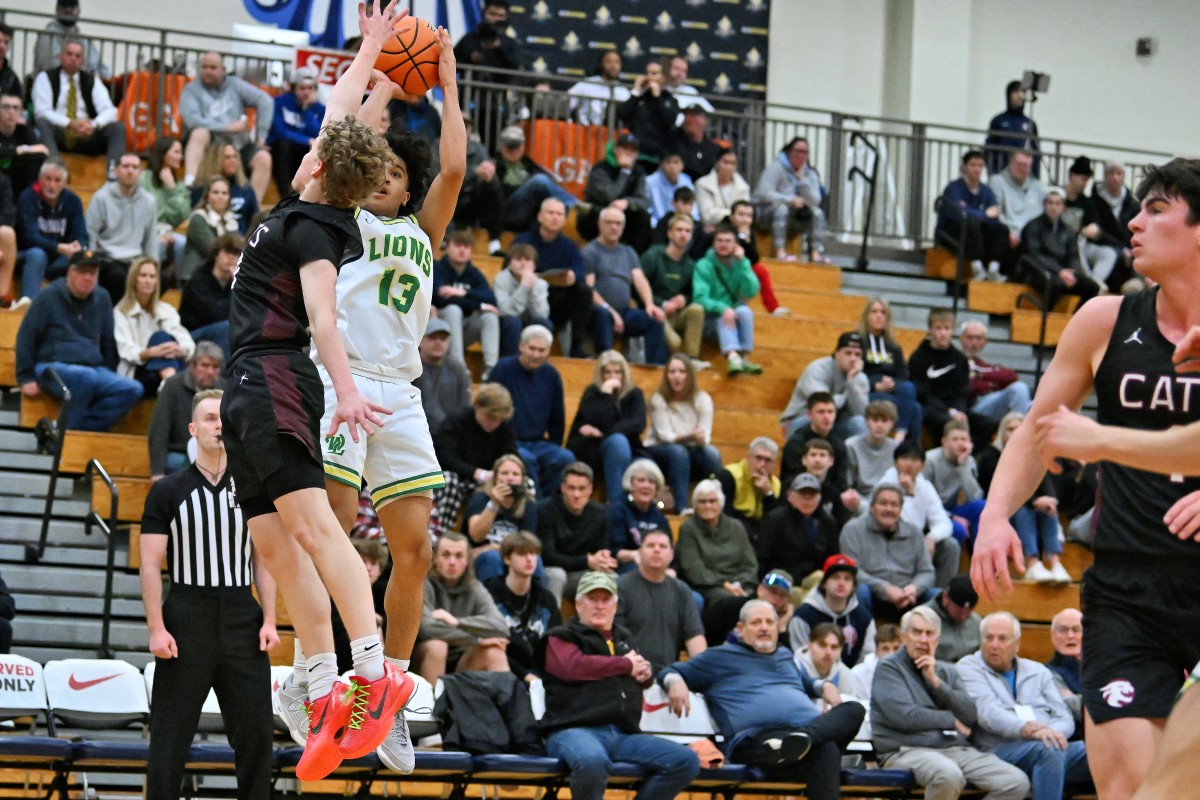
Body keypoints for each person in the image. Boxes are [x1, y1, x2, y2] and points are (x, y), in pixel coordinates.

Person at [217, 5, 411, 780]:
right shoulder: (304, 202)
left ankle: (373, 670)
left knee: (314, 527)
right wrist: (367, 49)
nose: (310, 151)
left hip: (276, 375)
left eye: (320, 154)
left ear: (326, 173)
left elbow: (326, 322)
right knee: (271, 542)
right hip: (242, 384)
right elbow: (339, 114)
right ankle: (318, 683)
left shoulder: (316, 232)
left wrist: (347, 392)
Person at [973, 158, 1200, 800]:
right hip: (1131, 588)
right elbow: (1037, 432)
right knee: (1131, 786)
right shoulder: (1105, 319)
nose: (1134, 221)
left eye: (1156, 208)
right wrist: (994, 516)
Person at [302, 35, 468, 775]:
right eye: (377, 166)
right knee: (332, 530)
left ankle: (389, 695)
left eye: (398, 173)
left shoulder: (424, 231)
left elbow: (456, 165)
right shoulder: (342, 215)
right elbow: (346, 140)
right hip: (341, 378)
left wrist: (449, 86)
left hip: (399, 394)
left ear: (408, 191)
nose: (383, 177)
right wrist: (386, 83)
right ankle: (325, 681)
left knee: (417, 550)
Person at [139, 389, 278, 800]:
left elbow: (263, 560)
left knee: (255, 733)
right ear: (193, 428)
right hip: (186, 614)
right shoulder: (167, 491)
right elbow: (149, 564)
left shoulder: (252, 489)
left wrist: (270, 618)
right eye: (210, 418)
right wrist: (156, 628)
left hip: (241, 614)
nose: (219, 425)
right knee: (170, 733)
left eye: (224, 418)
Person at [661, 599, 864, 800]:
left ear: (778, 627)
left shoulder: (784, 655)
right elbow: (669, 671)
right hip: (757, 741)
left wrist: (823, 686)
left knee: (854, 709)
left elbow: (805, 682)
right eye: (756, 622)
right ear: (741, 628)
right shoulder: (720, 657)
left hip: (798, 741)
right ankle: (803, 741)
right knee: (826, 749)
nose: (764, 628)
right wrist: (675, 682)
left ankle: (803, 739)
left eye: (769, 622)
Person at [535, 571, 700, 800]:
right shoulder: (561, 637)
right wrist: (625, 665)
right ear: (579, 604)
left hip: (623, 734)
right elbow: (573, 667)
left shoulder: (624, 638)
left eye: (606, 600)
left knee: (686, 761)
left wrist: (645, 674)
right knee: (592, 761)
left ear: (615, 606)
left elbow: (637, 672)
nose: (599, 606)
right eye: (592, 599)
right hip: (574, 730)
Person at [872, 606, 1030, 800]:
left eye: (929, 633)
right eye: (916, 632)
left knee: (1015, 782)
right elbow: (905, 716)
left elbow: (969, 714)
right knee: (948, 775)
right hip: (905, 750)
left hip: (954, 749)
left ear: (937, 639)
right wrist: (950, 720)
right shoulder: (888, 668)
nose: (923, 639)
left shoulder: (947, 671)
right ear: (904, 637)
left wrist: (936, 682)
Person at [956, 612, 1090, 800]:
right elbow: (988, 714)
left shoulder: (1037, 671)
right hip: (996, 749)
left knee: (1098, 750)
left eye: (1002, 639)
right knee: (1051, 750)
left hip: (1044, 745)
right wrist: (1030, 730)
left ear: (1017, 644)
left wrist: (1050, 733)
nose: (994, 645)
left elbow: (1063, 715)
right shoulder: (968, 667)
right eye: (989, 638)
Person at [16, 251, 143, 432]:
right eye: (82, 272)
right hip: (51, 368)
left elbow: (108, 341)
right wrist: (25, 376)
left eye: (92, 273)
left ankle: (76, 431)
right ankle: (65, 436)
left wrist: (109, 371)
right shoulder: (49, 296)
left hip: (92, 368)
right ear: (70, 273)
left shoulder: (102, 298)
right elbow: (26, 335)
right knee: (86, 377)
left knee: (132, 389)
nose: (87, 278)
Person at [977, 412, 1067, 584]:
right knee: (1025, 510)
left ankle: (1055, 563)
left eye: (1019, 429)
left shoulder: (1032, 456)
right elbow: (1003, 492)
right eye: (1010, 429)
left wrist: (1050, 500)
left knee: (1048, 510)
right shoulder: (990, 456)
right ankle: (1032, 563)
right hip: (996, 511)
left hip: (1024, 506)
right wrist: (1034, 502)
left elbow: (1045, 481)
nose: (1014, 433)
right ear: (1002, 431)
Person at [489, 324, 574, 498]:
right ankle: (537, 506)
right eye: (532, 348)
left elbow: (557, 416)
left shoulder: (552, 375)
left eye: (541, 350)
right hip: (509, 442)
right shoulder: (502, 369)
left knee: (566, 458)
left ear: (548, 351)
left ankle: (546, 501)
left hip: (539, 442)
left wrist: (555, 444)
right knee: (527, 459)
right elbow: (490, 408)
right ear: (521, 346)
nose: (536, 355)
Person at [415, 533, 511, 685]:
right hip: (422, 659)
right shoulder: (422, 584)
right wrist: (477, 639)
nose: (452, 562)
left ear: (467, 561)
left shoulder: (475, 587)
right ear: (434, 558)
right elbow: (426, 628)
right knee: (437, 646)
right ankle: (432, 707)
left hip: (462, 659)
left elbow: (501, 626)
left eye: (459, 556)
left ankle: (505, 707)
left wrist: (456, 622)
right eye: (445, 555)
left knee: (495, 652)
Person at [181, 51, 273, 205]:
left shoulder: (235, 84)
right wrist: (227, 127)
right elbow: (192, 121)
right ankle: (189, 185)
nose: (208, 71)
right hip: (211, 146)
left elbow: (265, 101)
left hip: (238, 144)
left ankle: (251, 208)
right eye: (204, 67)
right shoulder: (191, 89)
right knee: (199, 133)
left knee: (264, 158)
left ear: (223, 69)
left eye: (213, 67)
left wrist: (261, 137)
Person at [432, 383, 518, 539]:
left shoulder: (503, 428)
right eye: (490, 417)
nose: (494, 423)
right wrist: (477, 473)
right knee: (448, 480)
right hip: (459, 478)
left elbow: (510, 454)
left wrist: (503, 474)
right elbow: (445, 458)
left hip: (487, 482)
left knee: (523, 482)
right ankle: (443, 537)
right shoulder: (456, 420)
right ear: (477, 406)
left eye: (499, 420)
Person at [582, 207, 668, 364]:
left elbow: (640, 280)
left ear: (623, 227)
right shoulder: (590, 251)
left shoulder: (628, 252)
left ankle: (656, 368)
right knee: (603, 315)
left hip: (624, 312)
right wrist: (609, 309)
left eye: (618, 223)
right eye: (609, 223)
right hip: (598, 312)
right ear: (599, 224)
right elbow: (588, 289)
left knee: (654, 320)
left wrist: (650, 305)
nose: (614, 227)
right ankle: (606, 365)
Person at [675, 478, 758, 640]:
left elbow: (750, 565)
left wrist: (739, 584)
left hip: (740, 586)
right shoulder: (688, 528)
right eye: (702, 502)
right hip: (706, 587)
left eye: (712, 501)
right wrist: (725, 584)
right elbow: (693, 568)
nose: (707, 506)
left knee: (758, 600)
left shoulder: (737, 527)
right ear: (695, 505)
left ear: (721, 503)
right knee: (729, 602)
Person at [616, 529, 706, 676]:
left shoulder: (682, 590)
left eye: (663, 546)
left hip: (668, 675)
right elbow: (614, 638)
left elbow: (694, 636)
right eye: (650, 545)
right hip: (630, 673)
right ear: (639, 553)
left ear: (671, 555)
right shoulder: (621, 586)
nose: (657, 550)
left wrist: (702, 669)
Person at [841, 484, 937, 623]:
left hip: (908, 597)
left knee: (937, 596)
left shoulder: (915, 533)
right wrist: (884, 588)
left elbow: (927, 571)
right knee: (859, 591)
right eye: (883, 503)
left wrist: (914, 588)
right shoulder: (853, 530)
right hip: (872, 595)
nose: (888, 509)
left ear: (901, 509)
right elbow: (851, 571)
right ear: (872, 506)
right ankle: (861, 641)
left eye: (894, 505)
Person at [513, 199, 593, 358]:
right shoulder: (524, 240)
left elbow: (580, 271)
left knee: (583, 290)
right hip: (527, 299)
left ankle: (577, 347)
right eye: (551, 213)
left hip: (556, 301)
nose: (555, 217)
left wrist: (573, 276)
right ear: (540, 216)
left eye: (559, 214)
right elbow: (508, 269)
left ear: (564, 220)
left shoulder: (570, 245)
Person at [644, 354, 721, 513]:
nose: (677, 376)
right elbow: (666, 436)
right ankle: (682, 507)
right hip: (659, 449)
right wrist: (690, 436)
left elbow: (705, 435)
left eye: (682, 371)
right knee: (678, 452)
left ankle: (716, 504)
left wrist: (699, 438)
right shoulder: (659, 399)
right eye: (672, 372)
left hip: (690, 450)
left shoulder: (702, 399)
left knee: (712, 454)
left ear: (690, 375)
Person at [31, 39, 123, 171]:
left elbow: (110, 110)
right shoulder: (45, 78)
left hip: (86, 133)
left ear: (83, 61)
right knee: (42, 122)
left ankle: (114, 172)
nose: (73, 58)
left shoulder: (92, 80)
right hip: (60, 133)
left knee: (117, 128)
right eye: (69, 54)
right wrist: (70, 123)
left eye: (78, 56)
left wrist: (93, 124)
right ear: (60, 56)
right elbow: (42, 111)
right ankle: (54, 168)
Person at [909, 309, 996, 449]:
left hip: (955, 408)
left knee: (989, 424)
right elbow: (922, 392)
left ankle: (966, 453)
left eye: (947, 328)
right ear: (930, 330)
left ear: (952, 330)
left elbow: (962, 391)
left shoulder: (959, 358)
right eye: (938, 328)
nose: (943, 333)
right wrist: (949, 411)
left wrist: (959, 410)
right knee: (946, 422)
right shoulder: (919, 357)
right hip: (930, 408)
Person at [567, 350, 646, 501]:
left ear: (624, 373)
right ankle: (615, 502)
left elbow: (637, 424)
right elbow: (597, 419)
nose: (612, 377)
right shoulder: (592, 392)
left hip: (628, 448)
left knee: (620, 442)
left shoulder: (634, 393)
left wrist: (606, 433)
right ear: (600, 374)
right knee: (617, 441)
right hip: (591, 449)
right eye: (607, 372)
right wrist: (606, 394)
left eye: (617, 372)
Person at [881, 441, 960, 589]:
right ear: (895, 463)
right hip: (890, 540)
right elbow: (897, 526)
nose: (909, 464)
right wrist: (909, 494)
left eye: (915, 460)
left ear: (923, 466)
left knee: (950, 546)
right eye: (904, 459)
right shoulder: (885, 485)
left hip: (917, 542)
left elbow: (943, 522)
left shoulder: (924, 486)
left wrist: (931, 538)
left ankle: (940, 594)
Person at [484, 531, 561, 681]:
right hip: (503, 671)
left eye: (533, 553)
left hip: (542, 675)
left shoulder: (546, 598)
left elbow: (556, 643)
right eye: (521, 554)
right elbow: (490, 645)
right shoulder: (490, 594)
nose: (529, 559)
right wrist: (524, 675)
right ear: (507, 559)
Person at [113, 257, 194, 397]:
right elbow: (125, 350)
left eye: (152, 276)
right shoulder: (121, 312)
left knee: (167, 340)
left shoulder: (166, 310)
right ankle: (172, 388)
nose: (148, 280)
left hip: (168, 367)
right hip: (139, 371)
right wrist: (150, 352)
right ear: (134, 279)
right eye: (143, 275)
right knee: (160, 337)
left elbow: (186, 341)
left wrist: (179, 349)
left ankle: (168, 386)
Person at [537, 461, 614, 604]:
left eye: (582, 488)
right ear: (563, 488)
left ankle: (605, 625)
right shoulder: (545, 510)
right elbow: (548, 556)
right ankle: (551, 623)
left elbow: (603, 547)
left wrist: (604, 557)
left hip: (581, 573)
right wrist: (587, 561)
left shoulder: (600, 513)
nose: (577, 494)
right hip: (552, 572)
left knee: (612, 577)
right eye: (571, 488)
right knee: (556, 575)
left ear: (590, 490)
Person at [85, 152, 157, 302]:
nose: (130, 171)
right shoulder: (101, 197)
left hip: (135, 261)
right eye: (125, 166)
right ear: (116, 170)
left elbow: (150, 239)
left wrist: (152, 268)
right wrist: (89, 266)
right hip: (108, 259)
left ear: (139, 172)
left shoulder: (149, 201)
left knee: (161, 277)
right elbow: (90, 234)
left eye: (135, 167)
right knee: (118, 276)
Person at [693, 223, 762, 375]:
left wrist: (743, 262)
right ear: (713, 243)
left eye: (728, 241)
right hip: (709, 320)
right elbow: (700, 298)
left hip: (734, 315)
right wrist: (723, 308)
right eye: (719, 240)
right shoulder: (704, 265)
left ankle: (745, 357)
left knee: (745, 311)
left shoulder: (740, 263)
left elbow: (752, 291)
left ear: (735, 244)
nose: (723, 244)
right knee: (725, 317)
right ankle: (732, 357)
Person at [148, 342, 224, 480]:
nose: (210, 372)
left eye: (215, 367)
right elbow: (159, 429)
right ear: (192, 366)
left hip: (217, 452)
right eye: (205, 365)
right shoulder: (172, 385)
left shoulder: (225, 389)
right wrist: (157, 473)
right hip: (179, 451)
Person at [14, 157, 85, 300]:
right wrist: (58, 247)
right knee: (37, 254)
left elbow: (82, 234)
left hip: (57, 259)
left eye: (57, 180)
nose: (52, 185)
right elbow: (30, 237)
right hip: (27, 255)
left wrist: (78, 246)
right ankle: (29, 306)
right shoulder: (27, 198)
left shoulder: (73, 201)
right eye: (48, 179)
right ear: (40, 178)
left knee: (83, 257)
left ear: (65, 183)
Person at [433, 229, 500, 378]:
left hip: (464, 329)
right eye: (458, 245)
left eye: (467, 246)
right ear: (447, 247)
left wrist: (464, 293)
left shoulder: (474, 273)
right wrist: (478, 305)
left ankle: (491, 369)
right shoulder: (437, 267)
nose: (462, 250)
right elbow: (440, 299)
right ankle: (459, 367)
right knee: (453, 309)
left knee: (490, 316)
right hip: (439, 329)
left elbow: (491, 300)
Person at [789, 554, 875, 668]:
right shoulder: (803, 615)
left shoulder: (864, 618)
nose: (841, 583)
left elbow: (867, 660)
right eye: (835, 577)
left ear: (854, 586)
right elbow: (801, 658)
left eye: (847, 578)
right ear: (824, 583)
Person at [1021, 187, 1101, 309]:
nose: (1054, 207)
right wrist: (1059, 271)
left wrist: (1072, 272)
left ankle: (1076, 320)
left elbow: (1074, 255)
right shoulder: (1033, 227)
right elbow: (1035, 256)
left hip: (1064, 273)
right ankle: (1045, 318)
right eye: (1050, 203)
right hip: (1040, 272)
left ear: (1063, 207)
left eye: (1058, 203)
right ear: (1044, 205)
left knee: (1092, 287)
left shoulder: (1068, 230)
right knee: (1056, 284)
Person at [756, 473, 840, 589]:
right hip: (779, 581)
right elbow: (762, 559)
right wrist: (768, 586)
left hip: (815, 583)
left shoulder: (828, 522)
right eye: (802, 494)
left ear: (820, 498)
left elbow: (832, 558)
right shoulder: (775, 519)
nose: (807, 499)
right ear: (789, 496)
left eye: (812, 494)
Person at [463, 454, 538, 582]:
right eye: (504, 473)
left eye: (515, 474)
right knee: (493, 558)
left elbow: (528, 544)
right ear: (495, 478)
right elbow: (476, 535)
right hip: (478, 555)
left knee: (537, 562)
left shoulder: (528, 505)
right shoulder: (480, 498)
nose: (510, 478)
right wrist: (494, 503)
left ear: (522, 479)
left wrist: (501, 549)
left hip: (513, 556)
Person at [935, 150, 1008, 281]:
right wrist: (984, 214)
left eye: (980, 166)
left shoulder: (986, 191)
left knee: (1001, 229)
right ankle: (977, 268)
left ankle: (993, 269)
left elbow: (994, 214)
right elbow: (959, 214)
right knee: (971, 223)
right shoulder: (953, 188)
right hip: (951, 232)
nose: (977, 169)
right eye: (973, 165)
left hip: (977, 233)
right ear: (964, 167)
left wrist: (981, 215)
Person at [641, 215, 704, 363]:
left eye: (688, 231)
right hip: (656, 312)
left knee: (697, 309)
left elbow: (691, 293)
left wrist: (684, 299)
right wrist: (662, 304)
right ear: (670, 233)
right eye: (679, 230)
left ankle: (692, 359)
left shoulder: (690, 264)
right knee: (675, 342)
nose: (683, 234)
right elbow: (638, 288)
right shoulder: (653, 255)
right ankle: (678, 362)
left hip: (677, 313)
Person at [754, 136, 827, 262]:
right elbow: (763, 193)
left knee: (818, 213)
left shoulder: (810, 173)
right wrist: (789, 199)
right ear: (789, 151)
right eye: (797, 151)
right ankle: (780, 252)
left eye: (804, 152)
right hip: (766, 213)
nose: (800, 155)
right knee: (781, 209)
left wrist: (802, 181)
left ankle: (815, 254)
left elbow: (816, 200)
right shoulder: (776, 167)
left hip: (795, 216)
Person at [493, 125, 578, 234]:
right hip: (506, 212)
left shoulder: (529, 164)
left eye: (517, 146)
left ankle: (564, 211)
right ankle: (574, 203)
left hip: (530, 215)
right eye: (509, 146)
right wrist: (528, 187)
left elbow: (550, 183)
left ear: (523, 146)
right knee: (540, 181)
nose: (513, 150)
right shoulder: (493, 167)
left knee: (546, 183)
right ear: (501, 147)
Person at [781, 333, 869, 437]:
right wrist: (848, 388)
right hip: (800, 420)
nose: (853, 359)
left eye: (857, 354)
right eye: (848, 353)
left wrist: (852, 384)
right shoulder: (817, 369)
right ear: (837, 354)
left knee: (859, 423)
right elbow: (823, 405)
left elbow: (862, 413)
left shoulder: (860, 378)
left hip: (835, 424)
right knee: (821, 416)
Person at [859, 298, 922, 441]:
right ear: (866, 316)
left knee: (909, 388)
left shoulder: (893, 346)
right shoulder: (859, 342)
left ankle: (902, 436)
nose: (879, 316)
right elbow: (854, 374)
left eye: (883, 312)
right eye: (874, 312)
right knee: (915, 409)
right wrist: (875, 385)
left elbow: (903, 375)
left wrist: (893, 383)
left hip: (892, 390)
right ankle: (904, 443)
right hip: (869, 391)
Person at [578, 134, 653, 254]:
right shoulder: (600, 169)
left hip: (623, 215)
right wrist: (624, 171)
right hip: (596, 214)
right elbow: (610, 196)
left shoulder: (638, 171)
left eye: (632, 151)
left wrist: (628, 202)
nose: (628, 154)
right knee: (608, 215)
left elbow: (644, 201)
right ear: (615, 150)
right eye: (624, 150)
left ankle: (634, 259)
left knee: (643, 217)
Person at [924, 420, 986, 545]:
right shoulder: (929, 459)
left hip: (950, 508)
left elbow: (975, 496)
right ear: (944, 441)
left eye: (964, 439)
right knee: (959, 530)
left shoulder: (969, 461)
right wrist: (951, 516)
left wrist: (962, 466)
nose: (960, 443)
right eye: (955, 439)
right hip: (930, 513)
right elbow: (923, 500)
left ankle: (979, 556)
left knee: (982, 506)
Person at [178, 232, 239, 358]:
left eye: (236, 254)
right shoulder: (198, 280)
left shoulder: (234, 282)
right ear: (217, 254)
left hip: (220, 331)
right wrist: (237, 288)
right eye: (228, 252)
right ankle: (225, 377)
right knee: (226, 328)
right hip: (191, 335)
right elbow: (216, 314)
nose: (232, 258)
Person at [958, 320, 1032, 423]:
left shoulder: (985, 366)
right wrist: (993, 383)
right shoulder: (957, 361)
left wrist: (980, 375)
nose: (974, 342)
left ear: (985, 341)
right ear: (961, 339)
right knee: (1019, 388)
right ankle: (1021, 434)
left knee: (1036, 404)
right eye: (970, 338)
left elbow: (1012, 376)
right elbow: (971, 387)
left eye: (979, 338)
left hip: (993, 401)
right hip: (975, 407)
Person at [268, 67, 325, 199]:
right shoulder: (280, 102)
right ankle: (284, 193)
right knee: (283, 143)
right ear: (293, 88)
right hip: (282, 149)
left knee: (319, 148)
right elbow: (279, 131)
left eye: (310, 88)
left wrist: (307, 111)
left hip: (303, 152)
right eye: (302, 88)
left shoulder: (319, 108)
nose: (306, 92)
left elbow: (319, 133)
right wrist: (306, 140)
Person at [138, 137, 189, 279]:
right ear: (164, 154)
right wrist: (159, 232)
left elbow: (183, 214)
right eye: (176, 152)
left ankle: (179, 289)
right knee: (158, 245)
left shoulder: (178, 185)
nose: (180, 156)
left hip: (168, 231)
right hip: (147, 231)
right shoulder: (144, 178)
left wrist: (172, 189)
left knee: (183, 243)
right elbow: (143, 211)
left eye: (181, 152)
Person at [989, 151, 1045, 279]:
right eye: (1019, 164)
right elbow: (995, 212)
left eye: (1026, 166)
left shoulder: (1038, 187)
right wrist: (1010, 231)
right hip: (1008, 231)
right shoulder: (997, 181)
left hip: (1030, 234)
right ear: (1010, 163)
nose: (1022, 169)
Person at [779, 392, 853, 490]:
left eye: (830, 412)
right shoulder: (796, 443)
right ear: (809, 415)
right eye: (821, 412)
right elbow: (792, 480)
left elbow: (841, 482)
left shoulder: (839, 445)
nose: (826, 417)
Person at [608, 458, 670, 572]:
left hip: (655, 567)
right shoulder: (617, 510)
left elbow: (669, 551)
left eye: (651, 481)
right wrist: (638, 555)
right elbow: (615, 551)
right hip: (624, 568)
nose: (646, 485)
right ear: (630, 484)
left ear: (656, 488)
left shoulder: (660, 519)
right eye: (641, 480)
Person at [412, 318, 472, 433]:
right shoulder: (410, 367)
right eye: (432, 338)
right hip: (416, 432)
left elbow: (464, 406)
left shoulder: (458, 368)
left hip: (450, 434)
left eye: (443, 339)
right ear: (420, 341)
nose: (438, 342)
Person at [493, 243, 552, 357]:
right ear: (510, 264)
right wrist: (524, 287)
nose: (523, 263)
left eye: (527, 259)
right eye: (518, 259)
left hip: (528, 321)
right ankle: (510, 361)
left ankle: (538, 359)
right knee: (513, 322)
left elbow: (542, 315)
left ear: (534, 266)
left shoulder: (540, 283)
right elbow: (506, 311)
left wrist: (533, 288)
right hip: (505, 324)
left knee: (544, 323)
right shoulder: (501, 279)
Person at [617, 62, 679, 167]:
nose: (649, 77)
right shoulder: (639, 98)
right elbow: (623, 114)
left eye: (654, 73)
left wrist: (657, 97)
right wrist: (636, 91)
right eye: (647, 73)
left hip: (658, 156)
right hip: (636, 154)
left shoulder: (670, 100)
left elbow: (670, 121)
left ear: (663, 77)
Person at [191, 139, 259, 234]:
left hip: (243, 242)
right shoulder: (202, 188)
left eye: (235, 157)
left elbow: (255, 220)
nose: (233, 161)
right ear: (216, 161)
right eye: (227, 157)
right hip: (212, 239)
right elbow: (197, 218)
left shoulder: (246, 188)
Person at [717, 437, 780, 539]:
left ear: (774, 464)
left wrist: (768, 495)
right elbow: (723, 515)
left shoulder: (776, 484)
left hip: (760, 534)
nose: (762, 464)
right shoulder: (729, 476)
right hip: (733, 532)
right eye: (758, 458)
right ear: (748, 458)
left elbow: (774, 523)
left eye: (768, 460)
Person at [1090, 161, 1139, 291]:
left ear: (1124, 176)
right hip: (1104, 246)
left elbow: (1134, 230)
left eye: (1119, 173)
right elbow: (1098, 232)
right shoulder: (1095, 201)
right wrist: (1122, 248)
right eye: (1111, 173)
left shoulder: (1132, 203)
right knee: (1113, 255)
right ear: (1105, 176)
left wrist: (1129, 248)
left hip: (1127, 248)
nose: (1115, 177)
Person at [182, 176, 240, 284]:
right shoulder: (198, 218)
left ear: (229, 198)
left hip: (223, 278)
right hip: (195, 278)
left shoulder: (231, 220)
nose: (220, 196)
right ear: (207, 196)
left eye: (224, 193)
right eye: (215, 192)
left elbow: (238, 250)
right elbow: (212, 250)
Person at [33, 0, 108, 78]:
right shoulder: (48, 35)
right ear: (57, 9)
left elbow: (102, 68)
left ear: (78, 10)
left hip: (83, 85)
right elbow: (51, 65)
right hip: (52, 86)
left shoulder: (83, 38)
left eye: (72, 6)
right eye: (64, 6)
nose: (68, 10)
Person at [845, 400, 900, 508]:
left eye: (884, 421)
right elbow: (848, 485)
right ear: (866, 421)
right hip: (860, 500)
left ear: (892, 424)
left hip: (889, 500)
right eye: (875, 420)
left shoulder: (897, 448)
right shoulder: (851, 445)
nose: (879, 425)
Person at [984, 80, 1041, 178]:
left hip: (1022, 174)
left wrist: (1035, 177)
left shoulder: (1030, 123)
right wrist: (991, 173)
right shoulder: (998, 120)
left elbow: (1036, 152)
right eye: (1016, 92)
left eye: (1022, 92)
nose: (1019, 96)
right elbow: (989, 148)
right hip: (1001, 171)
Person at [0, 90, 49, 197]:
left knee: (35, 165)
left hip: (18, 182)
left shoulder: (24, 131)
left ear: (21, 112)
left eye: (15, 108)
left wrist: (13, 151)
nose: (11, 112)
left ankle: (28, 201)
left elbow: (42, 152)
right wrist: (22, 149)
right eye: (6, 107)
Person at [922, 575, 982, 662]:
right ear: (945, 597)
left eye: (968, 612)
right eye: (959, 611)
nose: (963, 616)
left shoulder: (977, 622)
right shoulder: (922, 619)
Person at [567, 49, 630, 127]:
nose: (613, 66)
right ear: (601, 64)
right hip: (584, 133)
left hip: (610, 136)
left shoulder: (624, 92)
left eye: (617, 62)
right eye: (609, 61)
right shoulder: (587, 84)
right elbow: (566, 104)